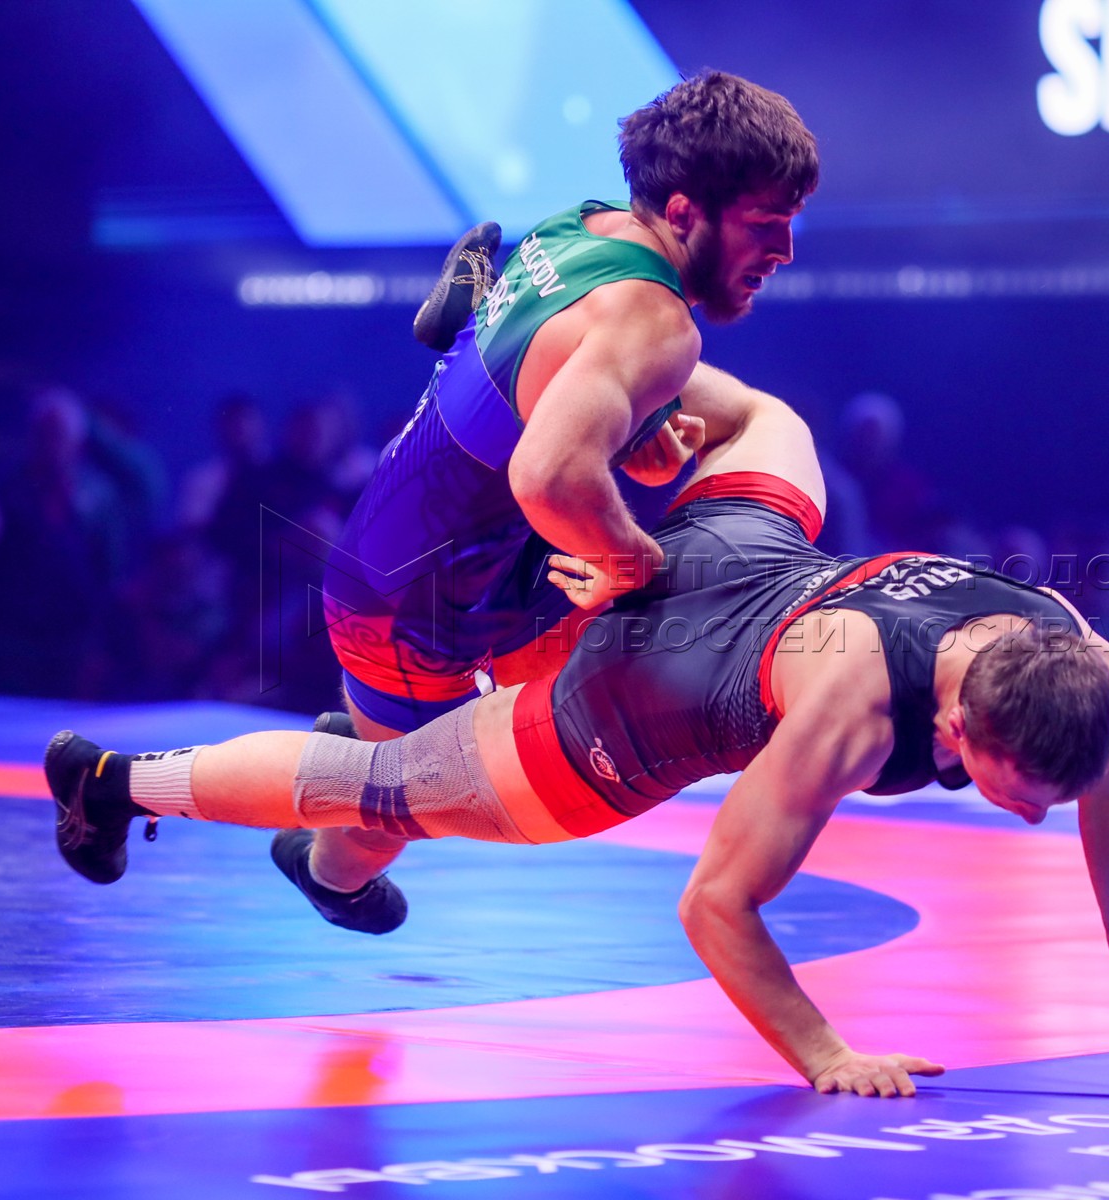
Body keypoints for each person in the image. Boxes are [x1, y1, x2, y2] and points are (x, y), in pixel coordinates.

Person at [46, 374, 1109, 1113]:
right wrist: (825, 1052)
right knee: (384, 788)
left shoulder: (1102, 689)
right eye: (1004, 789)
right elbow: (716, 904)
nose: (1027, 818)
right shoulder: (856, 711)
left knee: (764, 424)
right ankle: (115, 782)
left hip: (748, 551)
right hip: (655, 692)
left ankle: (522, 366)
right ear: (955, 722)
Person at [293, 70, 816, 927]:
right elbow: (547, 478)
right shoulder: (655, 324)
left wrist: (643, 433)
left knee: (641, 608)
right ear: (683, 211)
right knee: (404, 802)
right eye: (766, 223)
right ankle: (169, 802)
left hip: (404, 562)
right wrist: (632, 560)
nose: (785, 249)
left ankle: (465, 324)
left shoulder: (579, 225)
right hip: (416, 613)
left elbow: (567, 403)